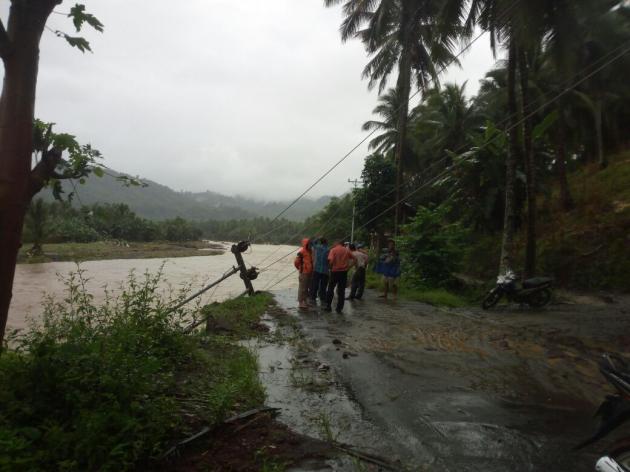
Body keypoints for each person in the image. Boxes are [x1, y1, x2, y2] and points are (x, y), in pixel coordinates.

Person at [325, 240, 355, 313]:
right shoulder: (346, 250)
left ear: (337, 243)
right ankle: (339, 308)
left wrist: (330, 268)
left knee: (330, 289)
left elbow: (331, 260)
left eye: (334, 243)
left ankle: (328, 306)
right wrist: (349, 267)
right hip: (343, 272)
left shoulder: (333, 250)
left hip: (334, 272)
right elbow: (355, 259)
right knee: (341, 291)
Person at [294, 238, 313, 310]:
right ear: (306, 244)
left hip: (310, 272)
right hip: (304, 272)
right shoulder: (302, 252)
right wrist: (300, 268)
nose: (311, 245)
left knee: (307, 288)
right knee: (302, 288)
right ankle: (300, 302)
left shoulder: (311, 251)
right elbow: (296, 262)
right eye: (310, 244)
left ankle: (305, 301)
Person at [310, 237, 329, 304]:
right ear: (326, 242)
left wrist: (318, 238)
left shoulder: (317, 247)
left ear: (320, 242)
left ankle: (313, 297)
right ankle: (322, 297)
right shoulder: (328, 249)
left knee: (315, 284)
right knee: (323, 285)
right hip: (325, 270)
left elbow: (312, 242)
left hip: (317, 269)